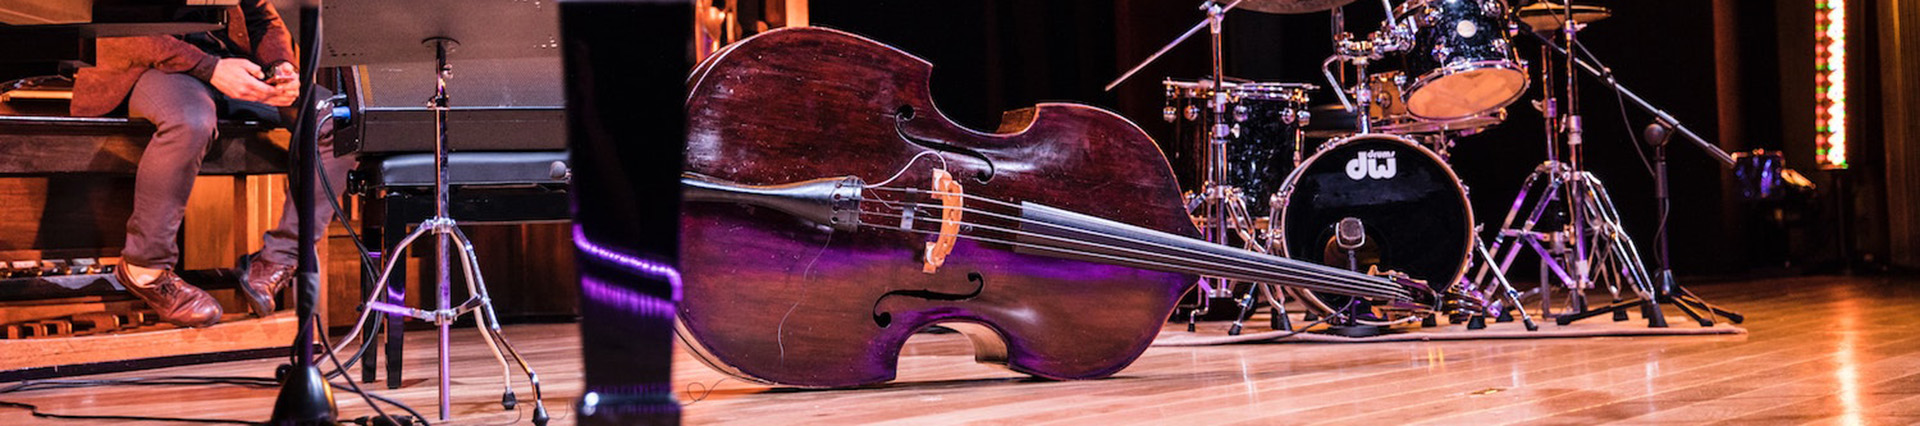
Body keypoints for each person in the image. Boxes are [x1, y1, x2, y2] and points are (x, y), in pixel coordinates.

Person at [70, 0, 356, 327]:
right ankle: (144, 268)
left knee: (337, 120)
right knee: (190, 121)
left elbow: (259, 14)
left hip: (228, 67)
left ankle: (280, 258)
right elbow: (115, 28)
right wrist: (210, 68)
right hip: (148, 67)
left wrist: (281, 65)